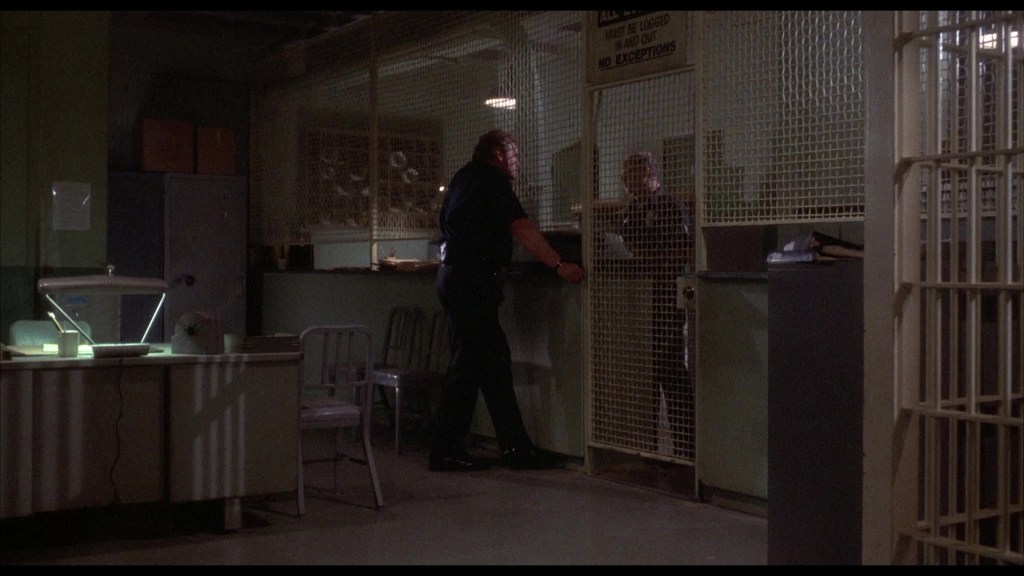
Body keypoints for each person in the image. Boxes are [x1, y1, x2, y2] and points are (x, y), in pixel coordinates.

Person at [430, 129, 585, 472]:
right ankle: (447, 452)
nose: (517, 162)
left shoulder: (463, 178)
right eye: (514, 154)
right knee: (467, 367)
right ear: (498, 153)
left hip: (457, 280)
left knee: (492, 365)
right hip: (473, 285)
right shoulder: (491, 179)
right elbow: (522, 227)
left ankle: (515, 447)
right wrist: (559, 264)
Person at [618, 151, 692, 456]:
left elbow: (680, 250)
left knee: (670, 368)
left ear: (647, 171)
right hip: (643, 296)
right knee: (648, 369)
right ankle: (649, 446)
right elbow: (631, 246)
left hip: (663, 295)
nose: (624, 179)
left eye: (629, 172)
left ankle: (687, 446)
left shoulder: (670, 206)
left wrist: (652, 262)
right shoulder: (634, 210)